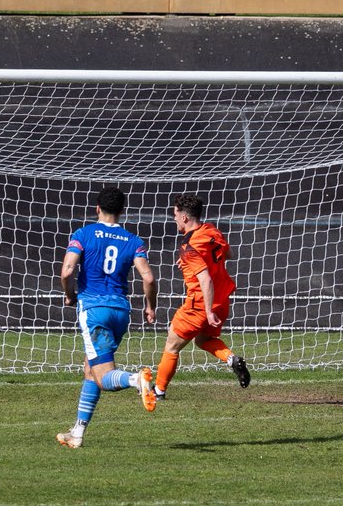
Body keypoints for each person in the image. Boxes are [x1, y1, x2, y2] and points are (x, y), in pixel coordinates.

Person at [56, 187, 158, 449]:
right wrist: (150, 307)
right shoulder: (133, 240)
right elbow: (148, 277)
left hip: (93, 309)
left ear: (97, 208)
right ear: (122, 210)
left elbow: (67, 271)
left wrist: (69, 296)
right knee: (90, 369)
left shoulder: (83, 234)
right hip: (121, 311)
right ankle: (77, 433)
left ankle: (137, 380)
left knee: (104, 376)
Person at [154, 194, 248, 399]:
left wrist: (207, 311)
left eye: (175, 215)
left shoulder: (189, 246)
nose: (174, 219)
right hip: (222, 302)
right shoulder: (211, 231)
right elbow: (227, 255)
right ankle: (231, 359)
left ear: (185, 218)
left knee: (172, 345)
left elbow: (205, 279)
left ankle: (158, 391)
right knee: (204, 339)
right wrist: (191, 261)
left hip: (200, 303)